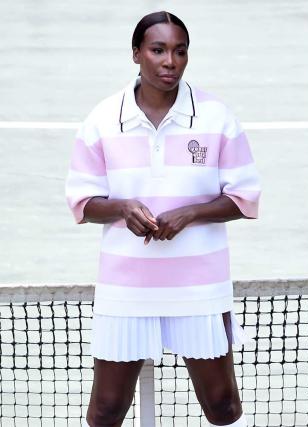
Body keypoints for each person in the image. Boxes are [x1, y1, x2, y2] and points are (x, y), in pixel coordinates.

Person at [65, 11, 260, 427]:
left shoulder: (216, 116)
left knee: (223, 406)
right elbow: (82, 202)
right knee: (105, 410)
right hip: (126, 288)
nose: (170, 60)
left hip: (200, 286)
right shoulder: (101, 120)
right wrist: (121, 207)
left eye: (179, 51)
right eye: (158, 50)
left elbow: (244, 197)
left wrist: (192, 213)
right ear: (137, 54)